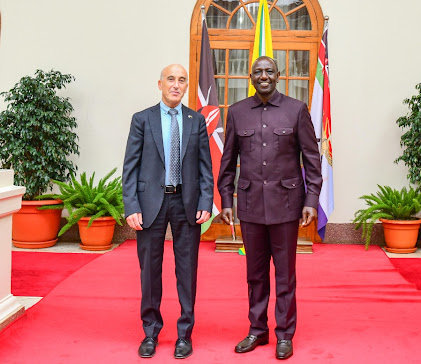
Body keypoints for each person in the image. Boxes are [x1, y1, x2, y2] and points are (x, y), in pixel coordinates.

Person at [218, 56, 322, 360]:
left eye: (269, 71)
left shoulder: (296, 110)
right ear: (250, 77)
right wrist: (226, 200)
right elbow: (228, 163)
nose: (263, 76)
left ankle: (285, 334)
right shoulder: (237, 113)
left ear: (278, 75)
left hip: (287, 206)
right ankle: (257, 329)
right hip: (250, 207)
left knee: (285, 275)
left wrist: (311, 201)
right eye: (258, 72)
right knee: (255, 274)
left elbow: (312, 161)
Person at [122, 64, 213, 359]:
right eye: (171, 79)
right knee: (150, 270)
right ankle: (150, 331)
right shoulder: (142, 119)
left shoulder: (196, 120)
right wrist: (131, 206)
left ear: (186, 86)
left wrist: (205, 200)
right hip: (150, 205)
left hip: (186, 203)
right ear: (160, 84)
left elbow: (204, 166)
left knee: (187, 271)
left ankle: (185, 334)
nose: (176, 84)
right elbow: (130, 168)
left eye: (182, 80)